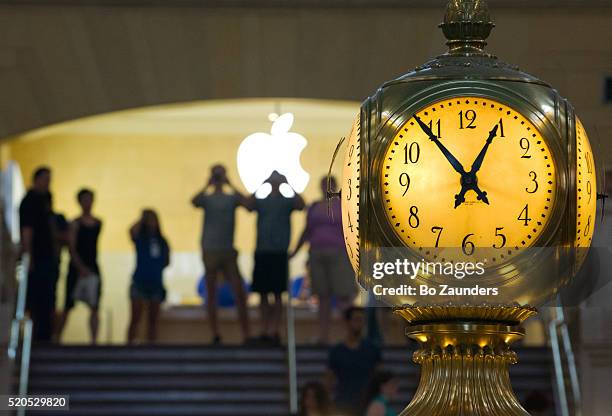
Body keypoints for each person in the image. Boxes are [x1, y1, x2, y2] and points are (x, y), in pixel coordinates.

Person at [291, 176, 357, 344]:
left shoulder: (344, 206)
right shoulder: (314, 207)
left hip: (340, 254)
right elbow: (306, 231)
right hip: (317, 254)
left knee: (344, 296)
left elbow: (353, 231)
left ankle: (351, 335)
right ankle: (323, 335)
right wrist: (294, 252)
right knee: (323, 296)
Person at [191, 164, 251, 344]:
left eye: (220, 174)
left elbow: (247, 204)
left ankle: (246, 334)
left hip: (227, 249)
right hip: (210, 249)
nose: (218, 177)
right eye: (216, 174)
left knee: (239, 292)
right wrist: (207, 185)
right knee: (211, 292)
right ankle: (215, 333)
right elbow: (194, 201)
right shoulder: (207, 198)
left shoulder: (231, 198)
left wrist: (230, 184)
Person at [248, 171, 305, 345]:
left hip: (279, 252)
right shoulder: (262, 201)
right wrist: (262, 184)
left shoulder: (286, 202)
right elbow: (248, 204)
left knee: (278, 294)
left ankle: (274, 330)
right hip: (262, 251)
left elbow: (301, 204)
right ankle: (264, 329)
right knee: (263, 293)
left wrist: (288, 183)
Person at [56, 189, 102, 344]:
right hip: (77, 268)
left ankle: (94, 340)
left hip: (92, 267)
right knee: (68, 306)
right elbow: (72, 247)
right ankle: (57, 337)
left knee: (95, 307)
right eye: (85, 200)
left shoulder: (97, 223)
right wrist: (79, 266)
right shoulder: (75, 224)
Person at [19, 166, 58, 342]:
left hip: (49, 257)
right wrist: (29, 257)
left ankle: (46, 335)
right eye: (46, 179)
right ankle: (37, 337)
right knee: (36, 299)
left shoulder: (46, 199)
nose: (48, 183)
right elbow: (27, 230)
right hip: (38, 258)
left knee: (48, 299)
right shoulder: (30, 201)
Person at [326, 306, 382, 416]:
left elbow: (379, 378)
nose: (359, 324)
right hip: (342, 404)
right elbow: (329, 380)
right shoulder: (336, 351)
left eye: (362, 320)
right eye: (356, 320)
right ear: (347, 322)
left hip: (367, 405)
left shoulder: (372, 349)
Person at [127, 209, 170, 344]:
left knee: (153, 320)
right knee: (135, 317)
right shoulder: (140, 238)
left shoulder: (162, 241)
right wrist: (142, 218)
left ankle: (151, 345)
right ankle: (129, 345)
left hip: (156, 283)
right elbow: (131, 231)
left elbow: (167, 261)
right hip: (139, 281)